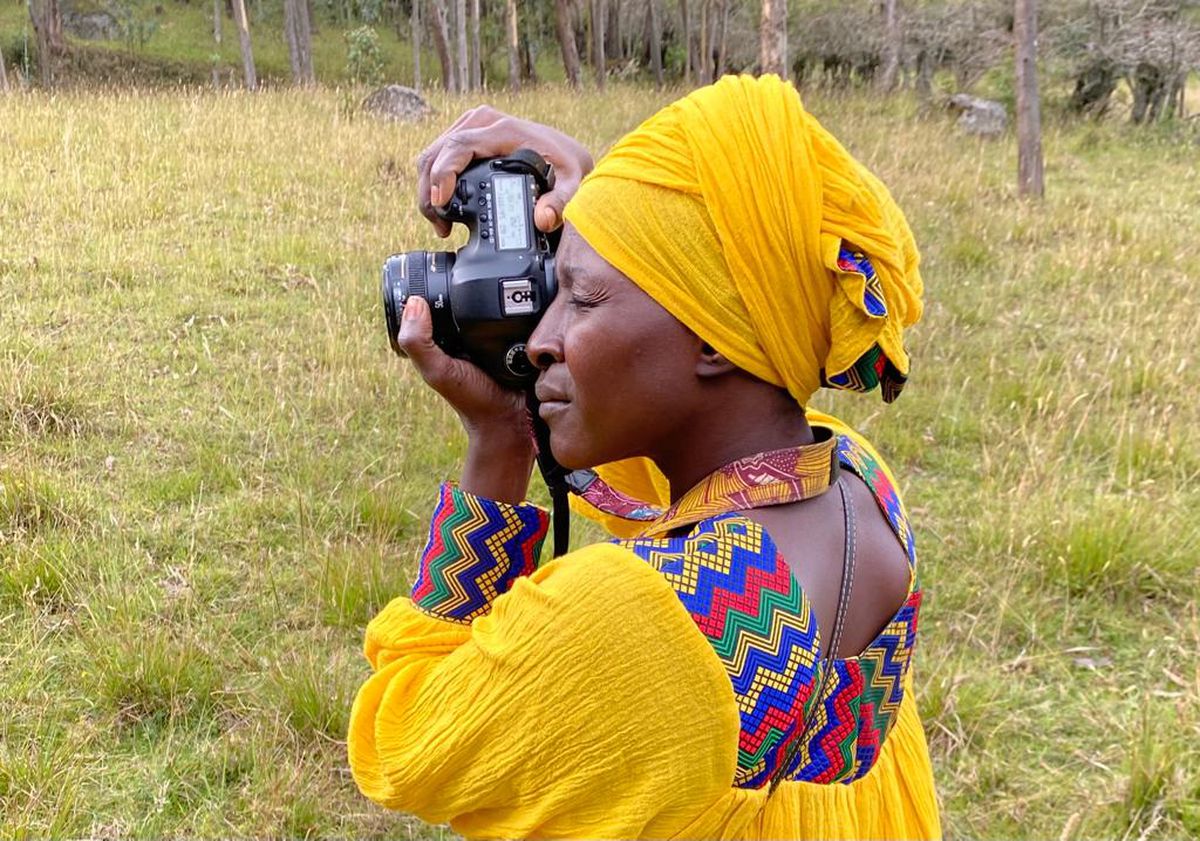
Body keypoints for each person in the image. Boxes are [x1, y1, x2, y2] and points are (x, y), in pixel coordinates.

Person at [347, 74, 940, 839]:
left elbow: (404, 739)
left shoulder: (635, 625)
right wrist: (597, 209)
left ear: (718, 339)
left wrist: (496, 452)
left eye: (582, 298)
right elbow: (652, 469)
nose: (538, 338)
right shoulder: (856, 477)